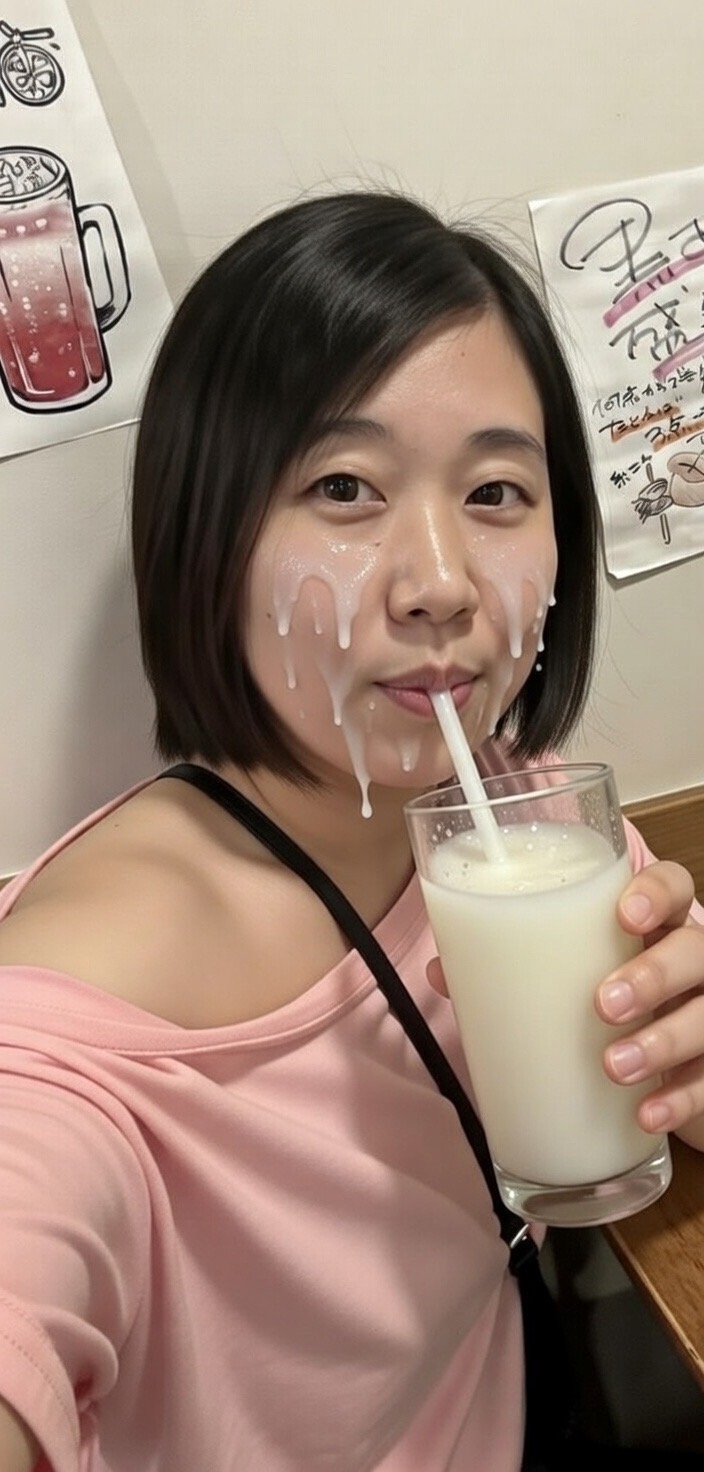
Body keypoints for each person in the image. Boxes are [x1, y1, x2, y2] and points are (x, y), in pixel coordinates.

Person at [0, 190, 703, 1472]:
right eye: (342, 486)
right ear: (207, 535)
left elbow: (658, 1076)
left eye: (495, 490)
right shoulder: (67, 1032)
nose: (438, 583)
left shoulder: (529, 801)